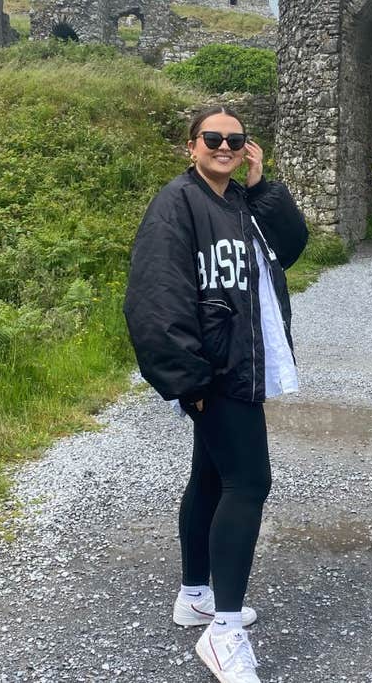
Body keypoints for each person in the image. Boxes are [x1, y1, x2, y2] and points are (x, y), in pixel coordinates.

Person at [123, 106, 308, 683]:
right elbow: (154, 297)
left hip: (239, 362)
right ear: (192, 145)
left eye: (235, 139)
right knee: (249, 482)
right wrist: (188, 378)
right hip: (218, 369)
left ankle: (196, 595)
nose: (224, 146)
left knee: (211, 475)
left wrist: (262, 187)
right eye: (213, 138)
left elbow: (293, 246)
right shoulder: (177, 204)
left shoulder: (239, 202)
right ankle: (224, 632)